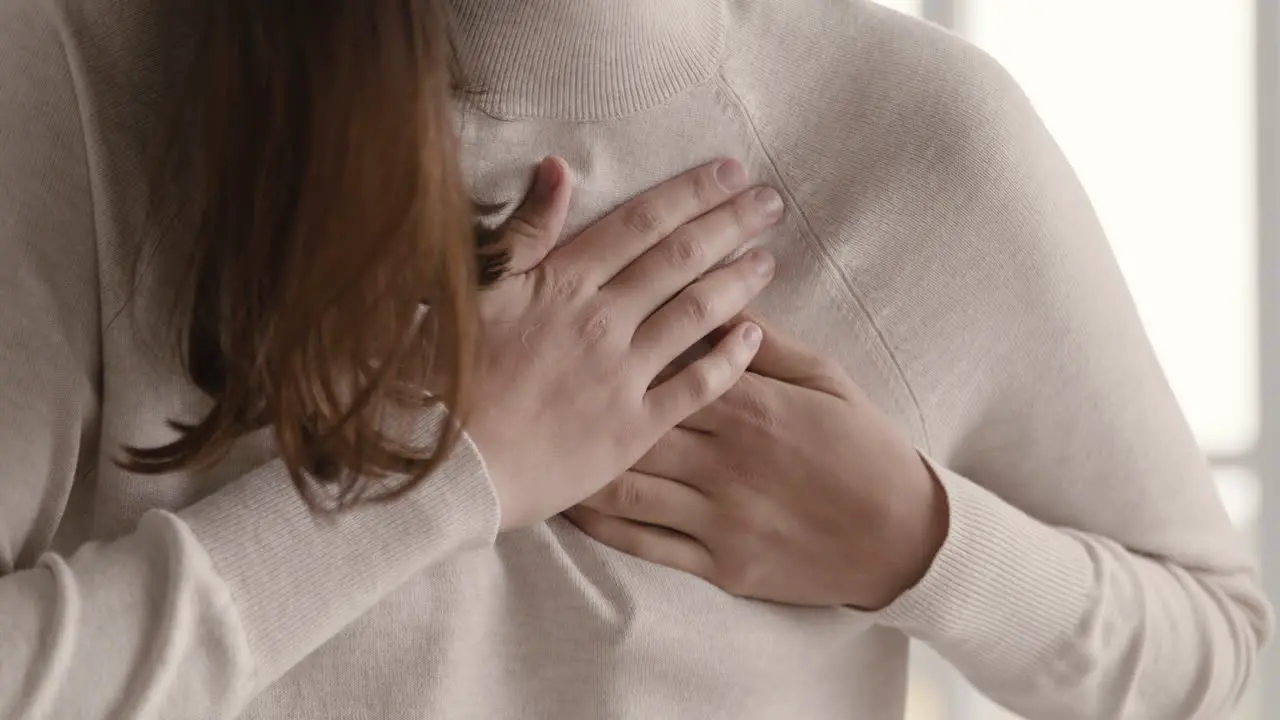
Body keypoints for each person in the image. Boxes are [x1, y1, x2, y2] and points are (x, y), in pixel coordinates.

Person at [0, 1, 1268, 720]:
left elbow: (1235, 662)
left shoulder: (918, 137)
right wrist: (451, 478)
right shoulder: (74, 79)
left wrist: (923, 545)